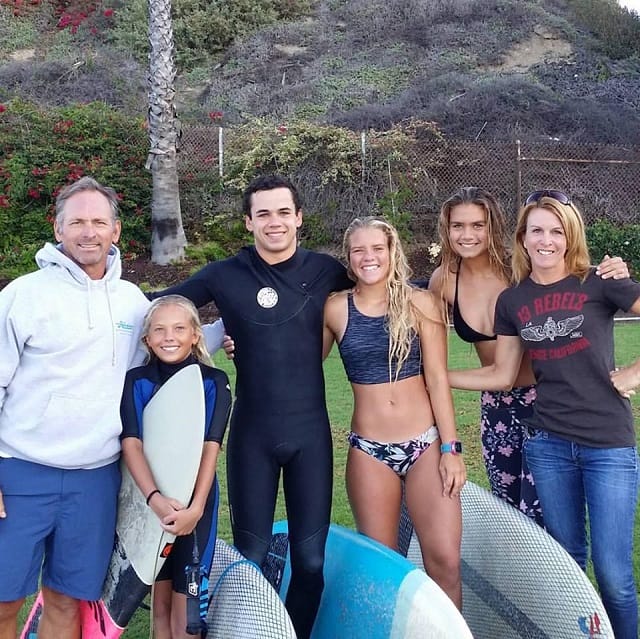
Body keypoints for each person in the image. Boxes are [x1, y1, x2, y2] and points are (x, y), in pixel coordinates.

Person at [149, 174, 353, 639]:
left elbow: (384, 288)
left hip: (310, 435)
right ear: (248, 222)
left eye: (283, 212)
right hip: (251, 435)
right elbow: (162, 306)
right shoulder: (225, 275)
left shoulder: (324, 270)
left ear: (298, 217)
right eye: (263, 214)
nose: (274, 222)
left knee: (310, 560)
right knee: (251, 558)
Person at [448, 190, 640, 639]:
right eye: (537, 230)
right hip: (549, 445)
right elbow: (502, 374)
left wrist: (634, 372)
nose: (546, 240)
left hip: (607, 443)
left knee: (613, 575)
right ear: (523, 237)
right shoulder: (513, 301)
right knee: (565, 565)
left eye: (557, 231)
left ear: (570, 237)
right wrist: (435, 376)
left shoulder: (599, 281)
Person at [0, 176, 151, 639]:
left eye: (99, 222)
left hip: (95, 480)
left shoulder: (131, 301)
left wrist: (227, 334)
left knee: (67, 601)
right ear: (58, 229)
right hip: (19, 473)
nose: (89, 232)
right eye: (77, 222)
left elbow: (168, 346)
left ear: (116, 231)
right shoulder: (23, 295)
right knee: (4, 602)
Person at [430, 186, 628, 526]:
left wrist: (614, 269)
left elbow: (571, 277)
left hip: (546, 400)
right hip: (496, 405)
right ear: (446, 230)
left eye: (478, 225)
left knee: (546, 515)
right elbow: (431, 349)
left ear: (493, 227)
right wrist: (433, 378)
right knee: (509, 514)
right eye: (457, 226)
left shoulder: (519, 269)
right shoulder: (444, 281)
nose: (467, 235)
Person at [323, 216, 466, 607]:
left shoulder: (420, 303)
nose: (368, 257)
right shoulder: (335, 309)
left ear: (392, 252)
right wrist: (240, 346)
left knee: (445, 562)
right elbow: (300, 363)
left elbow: (437, 379)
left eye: (377, 248)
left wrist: (451, 449)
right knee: (383, 569)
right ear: (348, 258)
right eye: (359, 250)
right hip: (370, 451)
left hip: (425, 445)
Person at [121, 295, 231, 639]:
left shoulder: (214, 382)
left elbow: (211, 448)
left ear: (195, 335)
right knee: (161, 608)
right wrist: (154, 499)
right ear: (147, 339)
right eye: (160, 330)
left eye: (179, 328)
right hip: (149, 506)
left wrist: (196, 509)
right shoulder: (136, 381)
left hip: (195, 509)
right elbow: (131, 443)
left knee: (187, 621)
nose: (169, 337)